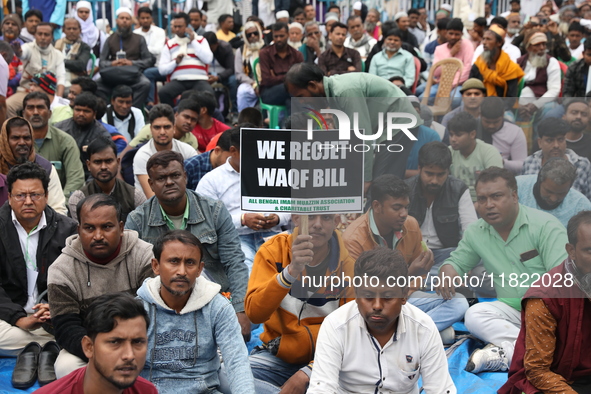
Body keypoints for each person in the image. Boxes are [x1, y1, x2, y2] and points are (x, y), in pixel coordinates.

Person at [437, 167, 568, 373]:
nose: (489, 205)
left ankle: (510, 353)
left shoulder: (546, 226)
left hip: (549, 311)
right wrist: (448, 272)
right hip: (512, 311)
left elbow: (561, 280)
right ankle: (530, 352)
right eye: (482, 199)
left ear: (514, 196)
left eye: (496, 196)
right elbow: (458, 262)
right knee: (474, 315)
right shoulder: (476, 232)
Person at [125, 150, 251, 340]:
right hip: (162, 304)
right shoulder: (137, 220)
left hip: (214, 298)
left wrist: (240, 309)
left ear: (185, 176)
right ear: (150, 184)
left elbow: (234, 261)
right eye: (161, 178)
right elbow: (130, 274)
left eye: (175, 175)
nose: (169, 182)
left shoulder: (214, 211)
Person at [309, 247, 457, 393]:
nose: (377, 306)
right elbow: (321, 388)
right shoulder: (335, 326)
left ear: (404, 295)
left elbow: (441, 389)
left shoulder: (423, 328)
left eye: (387, 297)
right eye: (368, 296)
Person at [343, 174, 468, 339]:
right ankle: (425, 332)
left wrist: (412, 283)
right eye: (396, 208)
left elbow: (420, 277)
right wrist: (409, 274)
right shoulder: (354, 239)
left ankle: (406, 334)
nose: (403, 214)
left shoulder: (411, 225)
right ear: (377, 206)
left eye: (406, 207)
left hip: (405, 297)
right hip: (375, 306)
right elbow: (362, 293)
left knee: (459, 302)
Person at [48, 194, 154, 378]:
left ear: (121, 228)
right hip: (92, 345)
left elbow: (153, 312)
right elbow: (66, 328)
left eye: (106, 227)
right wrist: (103, 352)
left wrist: (128, 347)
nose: (98, 236)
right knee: (66, 367)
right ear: (79, 229)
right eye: (89, 228)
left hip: (140, 340)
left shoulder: (145, 255)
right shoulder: (61, 270)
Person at [246, 213, 354, 392]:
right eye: (310, 217)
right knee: (227, 375)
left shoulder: (349, 262)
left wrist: (308, 372)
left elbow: (353, 332)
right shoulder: (274, 250)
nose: (317, 225)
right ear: (295, 219)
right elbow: (255, 314)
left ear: (336, 222)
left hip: (331, 360)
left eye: (326, 218)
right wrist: (290, 272)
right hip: (280, 357)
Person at [137, 230, 256, 393]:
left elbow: (237, 361)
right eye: (173, 261)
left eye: (190, 263)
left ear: (200, 269)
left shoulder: (217, 307)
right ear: (156, 266)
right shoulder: (138, 309)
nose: (182, 271)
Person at [285, 63, 421, 190]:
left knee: (381, 184)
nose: (302, 102)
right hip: (388, 126)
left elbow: (362, 136)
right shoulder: (333, 93)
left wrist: (365, 180)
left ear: (313, 85)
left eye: (301, 96)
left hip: (400, 123)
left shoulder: (345, 91)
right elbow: (347, 138)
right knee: (382, 184)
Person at [499, 211, 591, 394]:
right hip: (555, 381)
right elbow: (538, 371)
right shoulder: (545, 297)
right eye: (590, 251)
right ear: (571, 251)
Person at [0, 162, 77, 357]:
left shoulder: (68, 230)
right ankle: (53, 345)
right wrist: (20, 319)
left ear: (46, 197)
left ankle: (37, 346)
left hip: (54, 316)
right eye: (20, 195)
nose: (28, 201)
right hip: (10, 318)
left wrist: (58, 308)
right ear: (9, 197)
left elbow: (78, 279)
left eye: (35, 195)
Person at [197, 126, 288, 272]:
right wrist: (243, 219)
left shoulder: (275, 172)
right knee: (248, 273)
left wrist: (278, 217)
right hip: (236, 238)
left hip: (273, 234)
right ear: (233, 151)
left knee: (290, 271)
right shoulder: (211, 180)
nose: (257, 157)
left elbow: (294, 206)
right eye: (251, 153)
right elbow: (205, 220)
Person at [35, 293, 158, 394]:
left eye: (138, 342)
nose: (129, 355)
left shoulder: (147, 391)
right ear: (88, 347)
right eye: (115, 342)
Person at [406, 142, 477, 279]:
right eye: (429, 173)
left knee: (481, 262)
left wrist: (463, 262)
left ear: (448, 171)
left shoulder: (458, 189)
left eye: (440, 175)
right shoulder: (406, 189)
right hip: (412, 256)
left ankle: (430, 279)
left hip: (448, 255)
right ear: (419, 168)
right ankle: (440, 279)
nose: (434, 180)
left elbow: (471, 230)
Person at [22, 91, 84, 197]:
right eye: (31, 108)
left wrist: (61, 205)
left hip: (58, 205)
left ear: (50, 113)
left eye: (40, 107)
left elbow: (76, 179)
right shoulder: (13, 142)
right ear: (23, 114)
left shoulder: (65, 141)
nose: (36, 112)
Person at [69, 137, 146, 223]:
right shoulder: (79, 198)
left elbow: (141, 231)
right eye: (97, 162)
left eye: (109, 161)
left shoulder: (135, 196)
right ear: (89, 165)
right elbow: (81, 233)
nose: (103, 167)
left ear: (117, 162)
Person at [0, 116, 67, 215]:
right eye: (16, 138)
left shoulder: (46, 168)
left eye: (26, 138)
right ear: (5, 141)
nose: (22, 142)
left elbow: (58, 209)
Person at [133, 104, 197, 198]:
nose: (162, 132)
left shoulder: (188, 151)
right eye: (157, 127)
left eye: (167, 127)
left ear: (174, 128)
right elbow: (152, 196)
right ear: (151, 129)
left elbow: (196, 186)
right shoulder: (142, 156)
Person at [96, 7, 154, 109]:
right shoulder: (110, 39)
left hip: (133, 75)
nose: (124, 21)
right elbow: (102, 62)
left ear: (131, 21)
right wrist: (113, 63)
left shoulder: (139, 39)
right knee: (97, 85)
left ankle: (133, 112)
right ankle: (107, 113)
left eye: (127, 18)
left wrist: (131, 63)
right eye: (122, 18)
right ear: (116, 20)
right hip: (113, 75)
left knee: (145, 84)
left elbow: (148, 60)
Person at [522, 117, 591, 200]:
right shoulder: (530, 162)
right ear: (540, 142)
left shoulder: (581, 164)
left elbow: (588, 199)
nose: (556, 145)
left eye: (560, 140)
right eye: (550, 140)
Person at [6, 22, 66, 118]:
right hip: (26, 92)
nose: (42, 37)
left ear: (52, 37)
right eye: (40, 34)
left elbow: (61, 78)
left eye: (46, 34)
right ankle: (18, 129)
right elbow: (22, 53)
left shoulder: (57, 54)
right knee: (8, 105)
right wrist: (18, 51)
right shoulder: (28, 47)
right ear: (35, 35)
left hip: (49, 95)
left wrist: (58, 99)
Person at [157, 12, 214, 108]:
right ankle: (173, 117)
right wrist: (175, 62)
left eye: (180, 26)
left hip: (199, 80)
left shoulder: (200, 40)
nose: (177, 29)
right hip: (179, 81)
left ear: (188, 27)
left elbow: (208, 59)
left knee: (209, 94)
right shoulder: (170, 44)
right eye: (175, 27)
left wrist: (193, 41)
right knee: (163, 92)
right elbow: (162, 70)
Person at [517, 158, 591, 228]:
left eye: (561, 194)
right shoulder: (517, 188)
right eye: (549, 191)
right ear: (540, 182)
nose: (553, 199)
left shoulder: (581, 206)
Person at [53, 92, 112, 180]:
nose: (81, 114)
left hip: (89, 179)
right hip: (60, 176)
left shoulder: (102, 135)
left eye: (86, 111)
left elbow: (103, 166)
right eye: (78, 110)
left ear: (94, 114)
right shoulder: (59, 129)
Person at [447, 111, 503, 202]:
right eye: (451, 134)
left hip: (484, 202)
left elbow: (496, 185)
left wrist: (475, 207)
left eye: (458, 135)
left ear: (472, 134)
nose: (453, 139)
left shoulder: (489, 152)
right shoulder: (448, 152)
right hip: (456, 202)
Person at [419, 19, 474, 102]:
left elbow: (467, 69)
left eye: (457, 34)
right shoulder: (439, 49)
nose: (453, 37)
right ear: (446, 33)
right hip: (440, 84)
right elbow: (436, 72)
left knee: (455, 100)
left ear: (462, 34)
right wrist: (451, 54)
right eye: (451, 33)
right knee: (422, 98)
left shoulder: (467, 45)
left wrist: (449, 85)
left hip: (459, 85)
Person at [470, 25, 524, 97]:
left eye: (488, 39)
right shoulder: (479, 64)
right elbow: (469, 87)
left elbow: (511, 97)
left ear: (499, 42)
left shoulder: (511, 68)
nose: (484, 42)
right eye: (483, 39)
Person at [259, 22, 304, 109]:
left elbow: (301, 77)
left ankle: (290, 122)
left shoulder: (296, 55)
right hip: (269, 93)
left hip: (291, 93)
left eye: (281, 36)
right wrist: (290, 77)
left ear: (287, 35)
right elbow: (267, 80)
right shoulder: (265, 53)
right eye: (276, 36)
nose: (278, 39)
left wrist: (276, 77)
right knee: (289, 88)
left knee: (290, 101)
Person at [516, 32, 561, 117]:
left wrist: (536, 105)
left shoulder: (551, 62)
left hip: (542, 102)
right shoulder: (519, 62)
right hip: (519, 103)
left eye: (544, 44)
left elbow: (554, 90)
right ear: (528, 47)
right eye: (537, 45)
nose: (542, 48)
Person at [478, 97, 527, 174]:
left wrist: (501, 162)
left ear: (503, 114)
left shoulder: (515, 132)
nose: (491, 126)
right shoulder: (472, 129)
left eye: (496, 122)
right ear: (480, 115)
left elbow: (522, 165)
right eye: (487, 122)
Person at [134, 6, 166, 108]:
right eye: (142, 18)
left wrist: (142, 49)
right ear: (138, 19)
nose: (145, 20)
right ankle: (137, 106)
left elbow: (158, 50)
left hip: (158, 66)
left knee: (148, 73)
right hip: (140, 65)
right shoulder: (135, 34)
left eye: (147, 18)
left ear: (152, 18)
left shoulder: (159, 32)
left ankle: (149, 104)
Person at [202, 32, 237, 114]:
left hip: (223, 75)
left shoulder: (225, 47)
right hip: (206, 74)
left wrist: (218, 77)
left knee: (233, 81)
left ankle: (234, 111)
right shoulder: (199, 49)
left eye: (210, 48)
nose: (208, 51)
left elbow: (231, 69)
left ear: (216, 44)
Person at [54, 18, 91, 91]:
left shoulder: (84, 47)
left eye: (74, 29)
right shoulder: (55, 44)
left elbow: (81, 65)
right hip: (55, 80)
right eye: (69, 29)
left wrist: (59, 61)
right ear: (63, 30)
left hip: (75, 83)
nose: (71, 31)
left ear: (80, 30)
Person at [235, 21, 265, 112]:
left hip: (266, 82)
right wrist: (254, 84)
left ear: (259, 33)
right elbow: (239, 74)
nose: (253, 36)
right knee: (242, 91)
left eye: (255, 33)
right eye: (249, 35)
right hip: (250, 83)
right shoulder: (240, 51)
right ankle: (244, 120)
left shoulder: (267, 48)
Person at [564, 98, 591, 162]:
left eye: (584, 114)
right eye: (574, 113)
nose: (579, 117)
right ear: (564, 116)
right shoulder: (549, 139)